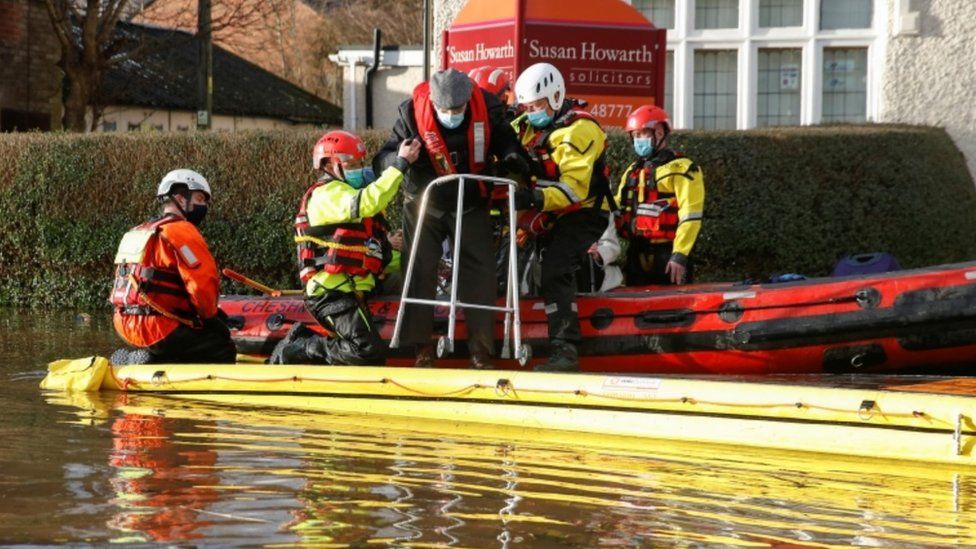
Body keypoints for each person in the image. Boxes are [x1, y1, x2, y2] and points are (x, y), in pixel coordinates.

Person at [374, 68, 526, 369]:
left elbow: (507, 139)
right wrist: (400, 158)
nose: (451, 115)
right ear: (433, 102)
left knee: (479, 272)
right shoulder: (410, 114)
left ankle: (481, 351)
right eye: (444, 110)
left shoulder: (487, 106)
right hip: (426, 203)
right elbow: (382, 159)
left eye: (457, 110)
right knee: (419, 268)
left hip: (470, 201)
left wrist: (511, 155)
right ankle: (421, 348)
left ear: (469, 101)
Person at [270, 130, 422, 365]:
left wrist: (417, 259)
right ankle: (299, 348)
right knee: (365, 350)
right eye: (352, 163)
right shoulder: (327, 195)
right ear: (330, 164)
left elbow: (372, 255)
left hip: (356, 290)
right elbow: (369, 201)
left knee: (404, 278)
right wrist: (400, 164)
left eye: (360, 163)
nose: (359, 169)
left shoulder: (350, 199)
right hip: (331, 293)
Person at [510, 62, 616, 372]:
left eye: (538, 105)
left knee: (555, 266)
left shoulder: (580, 130)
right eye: (527, 106)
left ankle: (565, 349)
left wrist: (534, 198)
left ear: (556, 97)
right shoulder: (527, 125)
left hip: (584, 212)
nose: (532, 112)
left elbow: (574, 191)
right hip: (545, 212)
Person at [109, 169, 236, 365]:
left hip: (123, 323)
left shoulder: (138, 231)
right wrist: (211, 318)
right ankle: (155, 361)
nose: (204, 206)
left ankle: (150, 357)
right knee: (222, 347)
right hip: (157, 326)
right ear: (180, 198)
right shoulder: (183, 231)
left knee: (186, 341)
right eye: (200, 199)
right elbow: (202, 285)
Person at [615, 105, 704, 286]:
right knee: (636, 309)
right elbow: (616, 206)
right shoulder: (632, 171)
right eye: (635, 135)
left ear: (660, 132)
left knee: (674, 310)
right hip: (636, 253)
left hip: (668, 254)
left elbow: (690, 216)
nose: (639, 139)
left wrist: (680, 255)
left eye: (643, 134)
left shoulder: (683, 169)